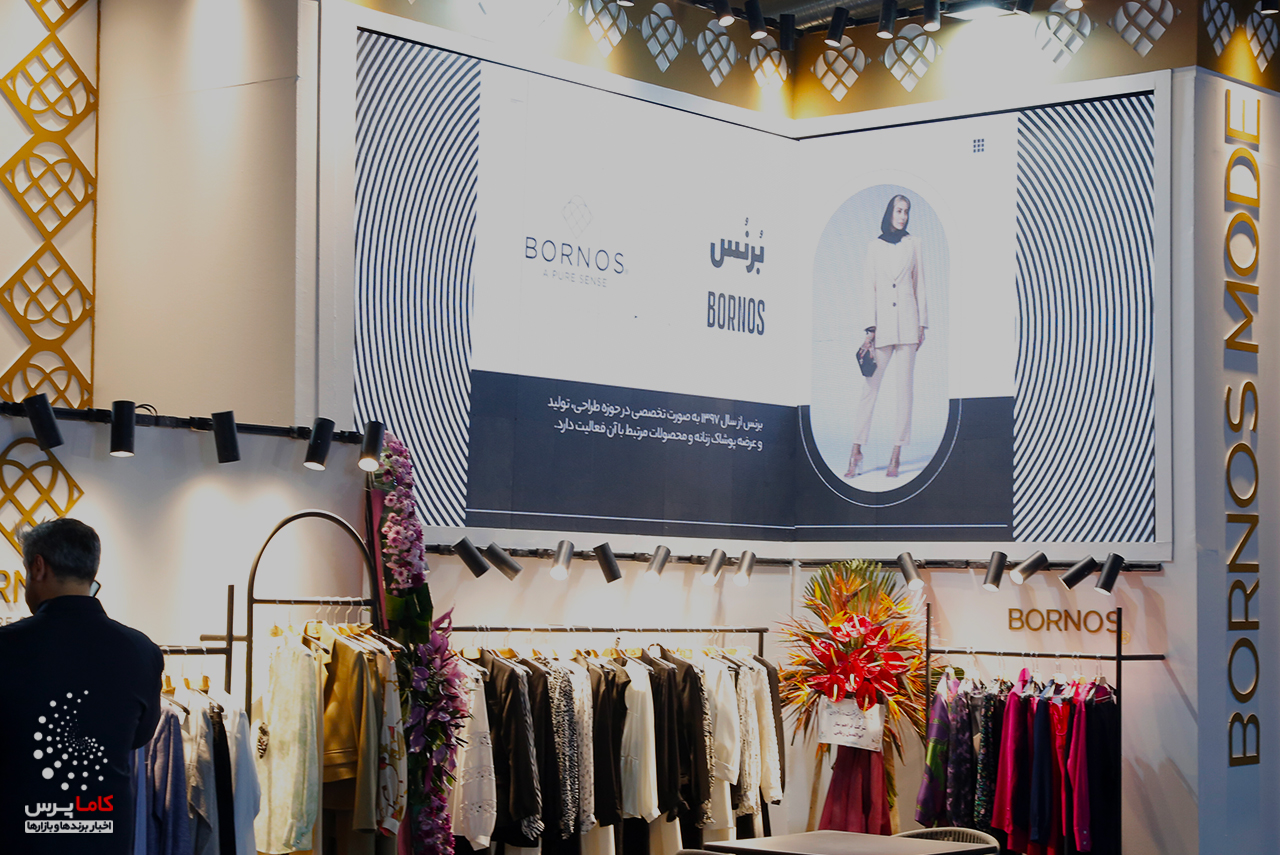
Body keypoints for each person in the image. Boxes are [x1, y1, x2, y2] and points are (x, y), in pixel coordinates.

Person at [0, 518, 163, 854]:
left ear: (38, 567)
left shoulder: (7, 647)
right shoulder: (141, 650)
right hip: (104, 835)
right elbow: (140, 737)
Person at [846, 193, 929, 480]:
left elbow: (920, 284)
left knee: (905, 391)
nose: (902, 216)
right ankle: (856, 450)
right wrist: (870, 328)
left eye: (906, 211)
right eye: (898, 210)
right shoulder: (874, 247)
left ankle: (896, 453)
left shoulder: (914, 244)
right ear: (889, 213)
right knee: (870, 388)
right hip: (882, 327)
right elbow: (868, 288)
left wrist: (922, 324)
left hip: (908, 325)